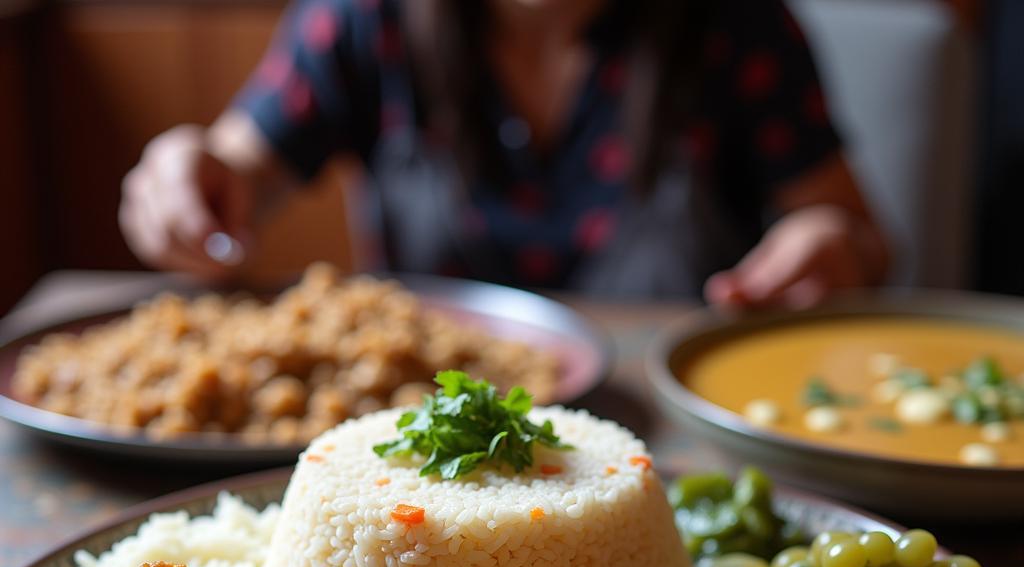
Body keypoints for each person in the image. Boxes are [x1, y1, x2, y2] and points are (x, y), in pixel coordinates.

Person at [119, 0, 888, 306]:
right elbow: (238, 165)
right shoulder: (365, 16)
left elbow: (860, 236)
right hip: (417, 433)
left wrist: (831, 247)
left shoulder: (736, 21)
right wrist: (189, 174)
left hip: (670, 443)